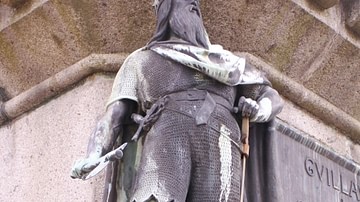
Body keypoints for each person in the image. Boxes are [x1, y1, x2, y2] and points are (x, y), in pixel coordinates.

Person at [71, 0, 283, 201]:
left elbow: (270, 96)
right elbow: (114, 116)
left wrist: (259, 110)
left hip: (222, 142)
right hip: (167, 138)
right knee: (154, 197)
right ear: (166, 11)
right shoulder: (141, 60)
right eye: (187, 3)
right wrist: (94, 154)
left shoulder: (228, 63)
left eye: (196, 6)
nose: (194, 8)